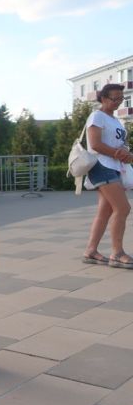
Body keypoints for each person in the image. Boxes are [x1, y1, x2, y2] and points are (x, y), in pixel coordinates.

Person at [82, 83, 133, 268]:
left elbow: (119, 143)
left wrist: (125, 151)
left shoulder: (115, 120)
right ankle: (117, 253)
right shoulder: (97, 116)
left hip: (113, 166)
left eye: (122, 98)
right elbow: (95, 144)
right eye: (115, 99)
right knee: (123, 208)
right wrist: (118, 154)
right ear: (103, 98)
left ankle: (91, 251)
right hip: (101, 166)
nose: (119, 102)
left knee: (105, 211)